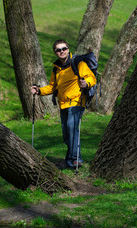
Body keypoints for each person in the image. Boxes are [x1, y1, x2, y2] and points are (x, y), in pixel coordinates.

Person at [30, 40, 96, 169]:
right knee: (67, 134)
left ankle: (76, 159)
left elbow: (91, 77)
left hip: (76, 101)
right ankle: (69, 160)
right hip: (63, 104)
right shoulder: (56, 69)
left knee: (72, 128)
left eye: (64, 49)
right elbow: (52, 87)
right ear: (55, 52)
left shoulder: (78, 63)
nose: (61, 51)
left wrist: (86, 83)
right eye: (58, 50)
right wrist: (38, 91)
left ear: (68, 49)